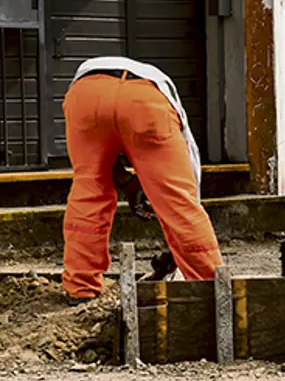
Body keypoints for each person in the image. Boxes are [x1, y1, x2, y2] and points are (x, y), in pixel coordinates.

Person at [61, 56, 223, 304]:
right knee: (179, 201)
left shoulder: (86, 79)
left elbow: (103, 162)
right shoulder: (165, 90)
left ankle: (80, 288)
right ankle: (209, 284)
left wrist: (128, 183)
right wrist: (179, 250)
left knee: (88, 189)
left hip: (87, 94)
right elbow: (189, 179)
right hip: (145, 100)